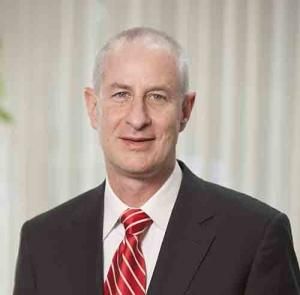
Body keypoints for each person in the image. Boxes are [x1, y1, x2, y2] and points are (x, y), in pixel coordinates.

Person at [13, 27, 300, 295]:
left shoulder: (256, 235)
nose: (137, 119)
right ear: (93, 107)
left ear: (185, 110)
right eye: (121, 94)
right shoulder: (41, 242)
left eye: (157, 97)